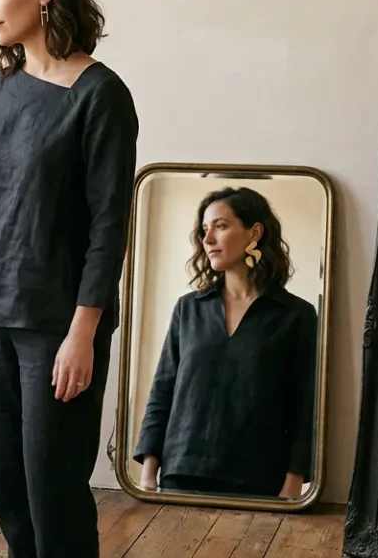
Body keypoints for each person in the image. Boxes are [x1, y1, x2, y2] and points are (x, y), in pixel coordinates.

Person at [0, 0, 139, 558]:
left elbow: (109, 227)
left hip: (56, 325)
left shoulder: (100, 95)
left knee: (54, 493)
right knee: (12, 496)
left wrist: (84, 333)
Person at [133, 187, 317, 499]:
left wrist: (294, 480)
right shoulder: (188, 308)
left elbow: (305, 405)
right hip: (182, 472)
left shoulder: (296, 315)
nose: (207, 239)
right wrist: (148, 472)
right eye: (204, 229)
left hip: (260, 479)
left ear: (254, 233)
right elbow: (162, 391)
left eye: (220, 226)